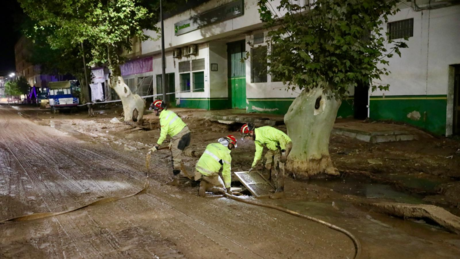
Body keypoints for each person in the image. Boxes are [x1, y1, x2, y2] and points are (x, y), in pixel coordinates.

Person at [240, 123, 292, 199]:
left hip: (284, 144)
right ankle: (269, 186)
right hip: (274, 148)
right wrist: (254, 165)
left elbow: (281, 138)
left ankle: (280, 191)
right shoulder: (257, 139)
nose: (246, 139)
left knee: (278, 167)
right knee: (265, 163)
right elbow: (258, 152)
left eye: (246, 136)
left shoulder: (265, 131)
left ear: (251, 133)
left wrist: (283, 152)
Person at [148, 100, 191, 184]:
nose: (154, 111)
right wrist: (172, 141)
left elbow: (163, 136)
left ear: (159, 109)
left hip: (180, 137)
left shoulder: (163, 118)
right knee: (182, 151)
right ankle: (197, 155)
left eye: (155, 109)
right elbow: (175, 126)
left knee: (176, 158)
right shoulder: (169, 112)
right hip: (187, 133)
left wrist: (156, 146)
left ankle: (176, 180)